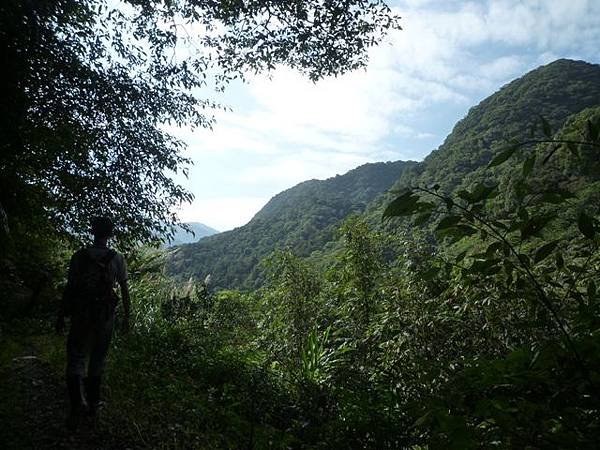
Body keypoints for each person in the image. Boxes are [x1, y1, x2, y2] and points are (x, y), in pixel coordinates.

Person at [55, 216, 130, 430]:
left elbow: (69, 289)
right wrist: (127, 317)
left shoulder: (79, 257)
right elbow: (124, 290)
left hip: (81, 314)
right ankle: (94, 404)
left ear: (92, 231)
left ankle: (77, 403)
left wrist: (61, 315)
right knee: (98, 358)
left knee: (76, 356)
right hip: (105, 316)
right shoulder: (117, 258)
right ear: (110, 234)